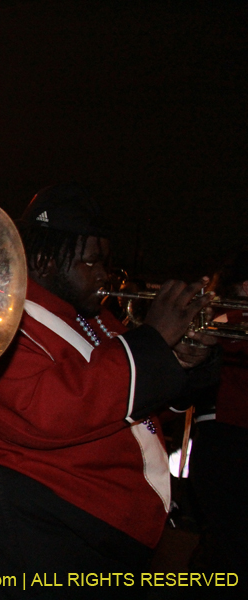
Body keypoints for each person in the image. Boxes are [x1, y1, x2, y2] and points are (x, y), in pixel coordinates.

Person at [0, 183, 218, 597]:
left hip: (93, 531)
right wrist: (153, 340)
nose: (105, 276)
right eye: (92, 262)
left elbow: (130, 409)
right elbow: (45, 411)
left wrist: (178, 361)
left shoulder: (94, 319)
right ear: (45, 258)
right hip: (34, 522)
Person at [187, 250, 248, 597]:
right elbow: (211, 336)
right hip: (226, 442)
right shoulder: (224, 316)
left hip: (229, 443)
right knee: (228, 549)